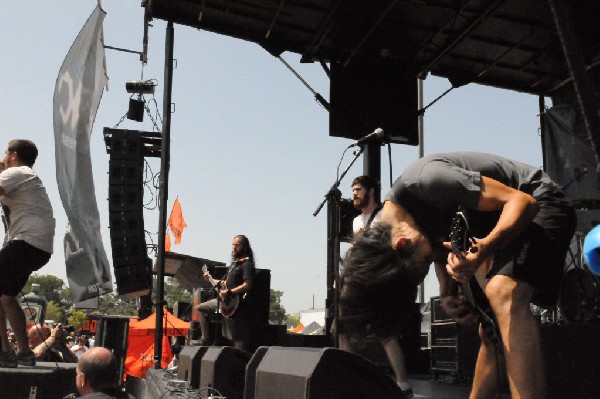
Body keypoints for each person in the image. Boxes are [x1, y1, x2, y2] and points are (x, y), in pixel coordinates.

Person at [339, 152, 576, 399]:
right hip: (506, 226)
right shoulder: (405, 229)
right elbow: (437, 250)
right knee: (491, 329)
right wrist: (446, 292)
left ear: (401, 244)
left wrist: (484, 248)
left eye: (424, 263)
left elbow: (523, 203)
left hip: (542, 200)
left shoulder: (427, 181)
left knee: (503, 293)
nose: (429, 261)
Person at [346, 176, 413, 398]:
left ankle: (403, 384)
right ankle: (349, 377)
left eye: (358, 190)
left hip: (382, 281)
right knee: (343, 326)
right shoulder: (357, 222)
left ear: (371, 191)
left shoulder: (385, 215)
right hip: (362, 280)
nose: (354, 194)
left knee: (386, 333)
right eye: (353, 190)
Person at [0, 139, 56, 367]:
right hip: (36, 246)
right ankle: (20, 352)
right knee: (5, 296)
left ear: (13, 155)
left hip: (26, 243)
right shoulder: (25, 176)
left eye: (5, 153)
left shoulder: (18, 173)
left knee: (5, 296)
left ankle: (10, 352)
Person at [196, 235, 255, 351]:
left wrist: (229, 292)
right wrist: (210, 279)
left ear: (244, 247)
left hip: (237, 304)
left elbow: (247, 285)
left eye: (237, 245)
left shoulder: (246, 264)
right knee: (200, 308)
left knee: (237, 337)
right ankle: (205, 338)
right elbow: (225, 283)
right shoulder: (234, 264)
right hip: (224, 301)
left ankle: (241, 361)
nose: (234, 247)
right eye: (233, 244)